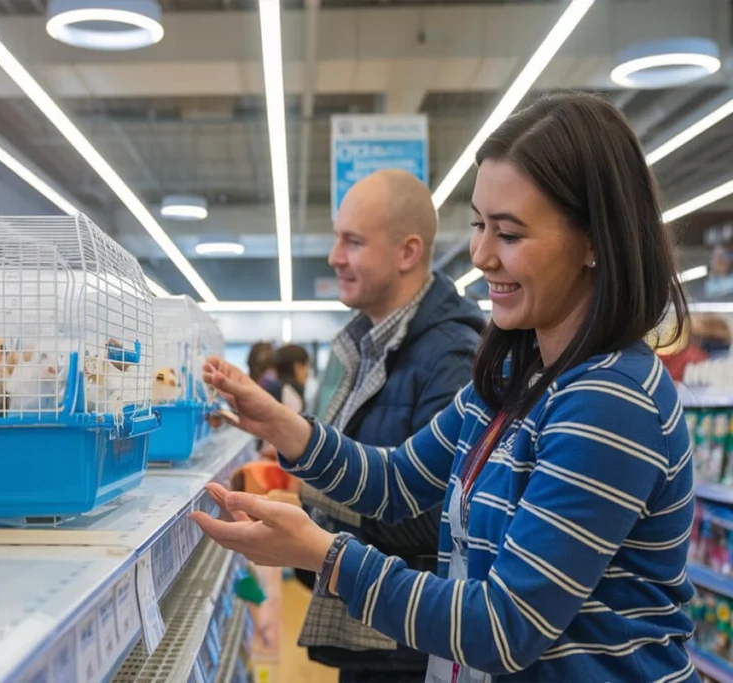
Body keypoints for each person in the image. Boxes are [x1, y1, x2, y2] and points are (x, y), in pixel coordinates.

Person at [192, 92, 698, 682]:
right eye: (480, 225)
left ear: (593, 241)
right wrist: (281, 423)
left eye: (508, 234)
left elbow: (503, 628)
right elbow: (397, 482)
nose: (481, 255)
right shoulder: (513, 378)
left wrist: (323, 555)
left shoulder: (610, 400)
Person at [296, 169, 485, 683]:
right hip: (372, 630)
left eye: (352, 241)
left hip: (407, 645)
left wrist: (310, 509)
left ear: (407, 253)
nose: (335, 256)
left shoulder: (451, 355)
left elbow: (436, 510)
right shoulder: (366, 345)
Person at [273, 343, 311, 413]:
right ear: (297, 367)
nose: (307, 374)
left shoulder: (275, 390)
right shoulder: (291, 394)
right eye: (306, 367)